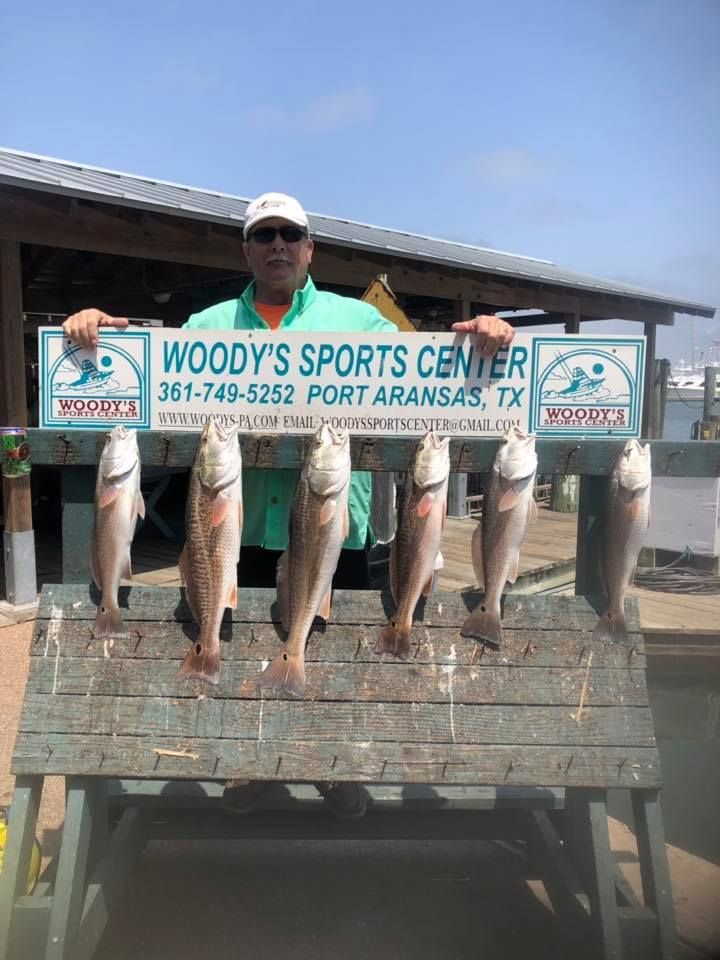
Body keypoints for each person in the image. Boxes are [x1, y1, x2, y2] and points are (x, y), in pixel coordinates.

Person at [63, 192, 515, 818]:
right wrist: (96, 334)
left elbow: (433, 369)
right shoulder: (207, 327)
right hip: (236, 531)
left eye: (290, 233)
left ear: (310, 247)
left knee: (336, 651)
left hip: (337, 527)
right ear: (247, 249)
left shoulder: (358, 323)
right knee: (237, 646)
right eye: (264, 234)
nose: (278, 244)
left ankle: (338, 767)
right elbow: (142, 373)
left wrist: (488, 332)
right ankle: (250, 767)